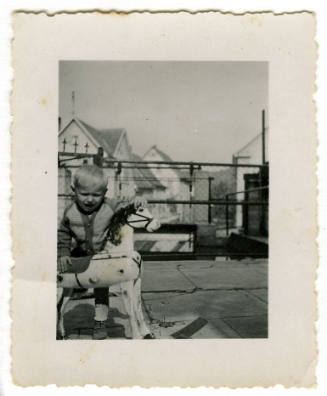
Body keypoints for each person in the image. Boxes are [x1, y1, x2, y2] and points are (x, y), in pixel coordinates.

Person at [57, 164, 145, 339]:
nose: (90, 199)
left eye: (96, 195)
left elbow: (125, 206)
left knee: (101, 287)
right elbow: (63, 234)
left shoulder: (109, 206)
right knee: (64, 287)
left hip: (102, 256)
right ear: (73, 190)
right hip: (79, 253)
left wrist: (136, 201)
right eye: (84, 194)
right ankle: (56, 319)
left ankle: (100, 322)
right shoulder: (69, 212)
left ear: (104, 193)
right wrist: (63, 253)